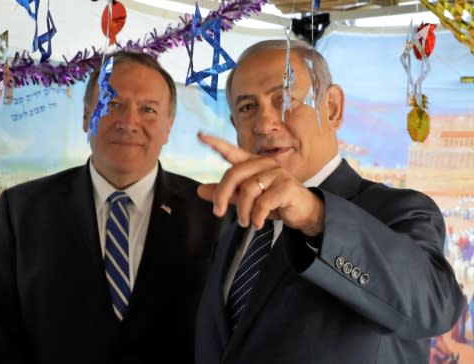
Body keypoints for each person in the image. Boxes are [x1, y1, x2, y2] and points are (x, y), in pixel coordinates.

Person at [194, 39, 466, 364]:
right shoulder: (234, 221)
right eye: (248, 107)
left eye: (285, 99)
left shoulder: (399, 211)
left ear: (332, 107)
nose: (265, 124)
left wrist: (314, 215)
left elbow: (434, 306)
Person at [0, 50, 231, 364]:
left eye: (148, 109)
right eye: (112, 104)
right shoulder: (22, 211)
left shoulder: (211, 211)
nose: (129, 122)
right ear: (85, 115)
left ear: (168, 127)